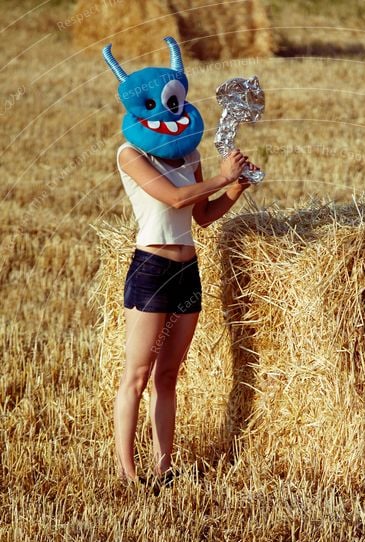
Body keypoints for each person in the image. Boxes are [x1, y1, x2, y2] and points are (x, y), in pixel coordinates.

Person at [102, 37, 260, 487]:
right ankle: (129, 473)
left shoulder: (189, 155)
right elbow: (171, 197)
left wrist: (236, 187)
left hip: (186, 271)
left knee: (168, 376)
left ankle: (163, 467)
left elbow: (203, 215)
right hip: (150, 269)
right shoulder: (130, 155)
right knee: (136, 376)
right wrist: (220, 175)